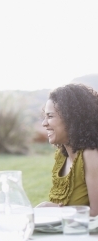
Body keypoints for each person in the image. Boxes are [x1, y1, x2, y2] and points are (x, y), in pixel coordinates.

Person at [38, 83, 98, 216]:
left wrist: (53, 209)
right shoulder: (62, 156)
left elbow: (96, 213)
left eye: (50, 116)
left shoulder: (90, 155)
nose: (44, 123)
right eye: (45, 116)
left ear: (72, 119)